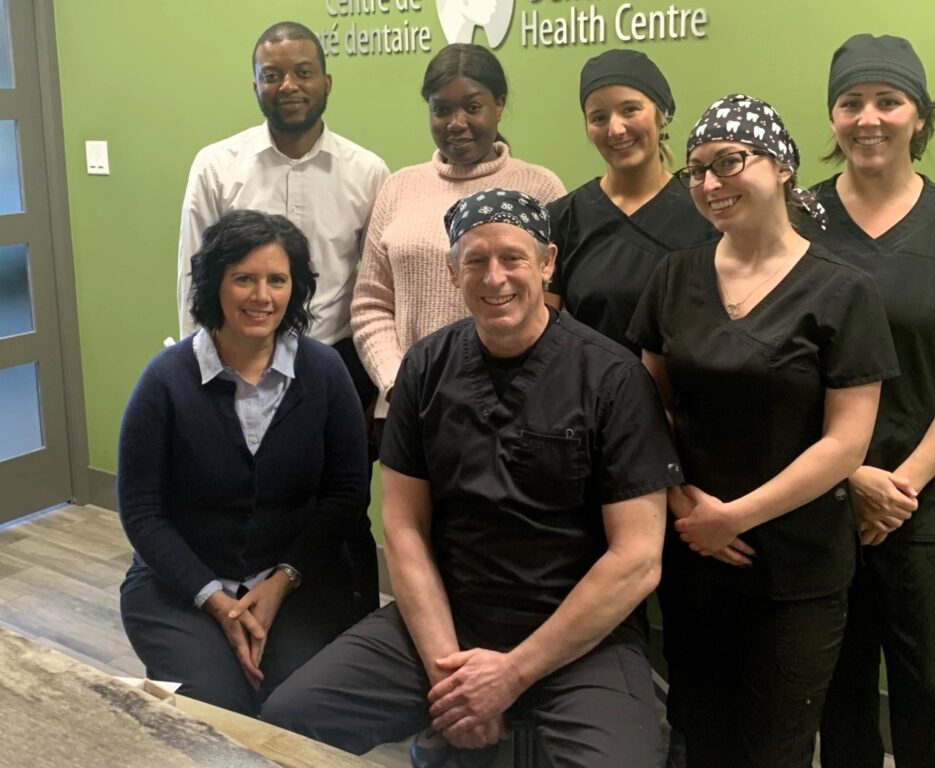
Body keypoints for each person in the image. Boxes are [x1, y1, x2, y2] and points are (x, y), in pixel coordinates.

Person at [263, 189, 683, 768]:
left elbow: (637, 558)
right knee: (290, 719)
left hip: (580, 635)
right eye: (475, 260)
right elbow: (404, 527)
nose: (494, 277)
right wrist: (448, 674)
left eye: (512, 257)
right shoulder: (425, 369)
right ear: (452, 270)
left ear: (547, 262)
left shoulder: (611, 378)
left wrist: (510, 675)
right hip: (448, 618)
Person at [627, 94, 899, 768]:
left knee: (772, 745)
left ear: (780, 167)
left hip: (796, 571)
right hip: (694, 553)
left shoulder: (842, 290)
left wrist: (735, 518)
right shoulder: (674, 277)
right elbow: (648, 406)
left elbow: (846, 444)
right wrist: (684, 504)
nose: (711, 185)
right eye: (696, 170)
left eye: (729, 163)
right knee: (700, 729)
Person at [814, 35, 935, 768]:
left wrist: (903, 483)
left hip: (925, 500)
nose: (869, 118)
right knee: (839, 688)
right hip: (824, 495)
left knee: (933, 685)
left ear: (920, 118)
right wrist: (848, 473)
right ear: (832, 118)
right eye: (851, 102)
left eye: (888, 101)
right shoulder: (797, 222)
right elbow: (780, 370)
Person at [119, 210, 370, 717]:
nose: (262, 296)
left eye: (277, 280)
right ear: (216, 285)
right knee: (217, 710)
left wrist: (281, 582)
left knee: (292, 707)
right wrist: (215, 598)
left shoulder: (324, 372)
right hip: (182, 586)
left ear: (295, 288)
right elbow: (142, 511)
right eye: (244, 279)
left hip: (301, 583)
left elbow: (346, 494)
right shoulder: (166, 380)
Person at [176, 20, 387, 617]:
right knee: (243, 495)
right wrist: (198, 380)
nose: (288, 85)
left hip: (337, 368)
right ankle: (236, 613)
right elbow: (194, 283)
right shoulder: (217, 166)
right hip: (236, 361)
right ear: (255, 85)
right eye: (272, 75)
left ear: (326, 80)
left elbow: (374, 287)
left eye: (302, 72)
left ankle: (348, 628)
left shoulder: (367, 172)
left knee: (342, 506)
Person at [351, 43, 564, 430]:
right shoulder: (399, 188)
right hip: (409, 408)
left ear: (499, 105)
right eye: (441, 109)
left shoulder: (540, 188)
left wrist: (512, 392)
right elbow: (371, 304)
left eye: (472, 106)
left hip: (514, 411)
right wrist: (399, 383)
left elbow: (555, 305)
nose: (456, 122)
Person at [547, 48, 715, 353]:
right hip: (592, 394)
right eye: (598, 117)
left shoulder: (707, 210)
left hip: (687, 397)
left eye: (630, 110)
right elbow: (544, 336)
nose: (616, 129)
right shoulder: (563, 219)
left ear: (662, 114)